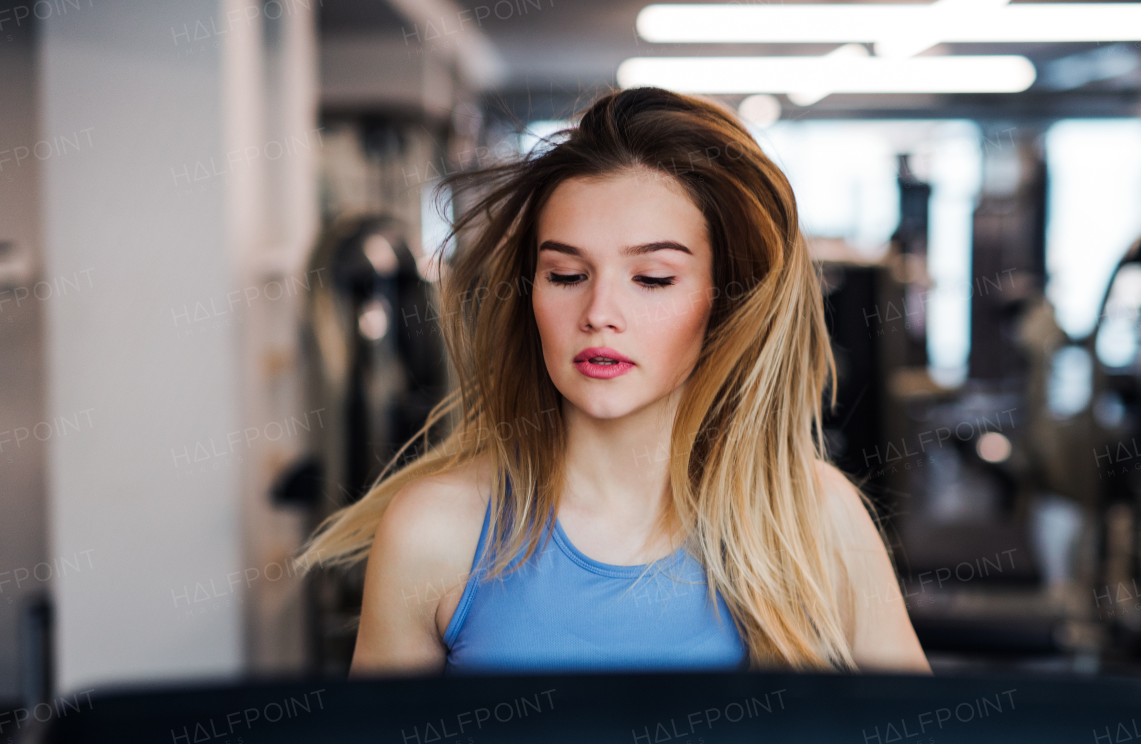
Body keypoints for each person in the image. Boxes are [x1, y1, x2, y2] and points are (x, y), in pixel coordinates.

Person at [297, 87, 930, 677]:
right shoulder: (436, 531)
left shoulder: (814, 518)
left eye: (652, 279)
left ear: (725, 300)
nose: (599, 312)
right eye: (567, 275)